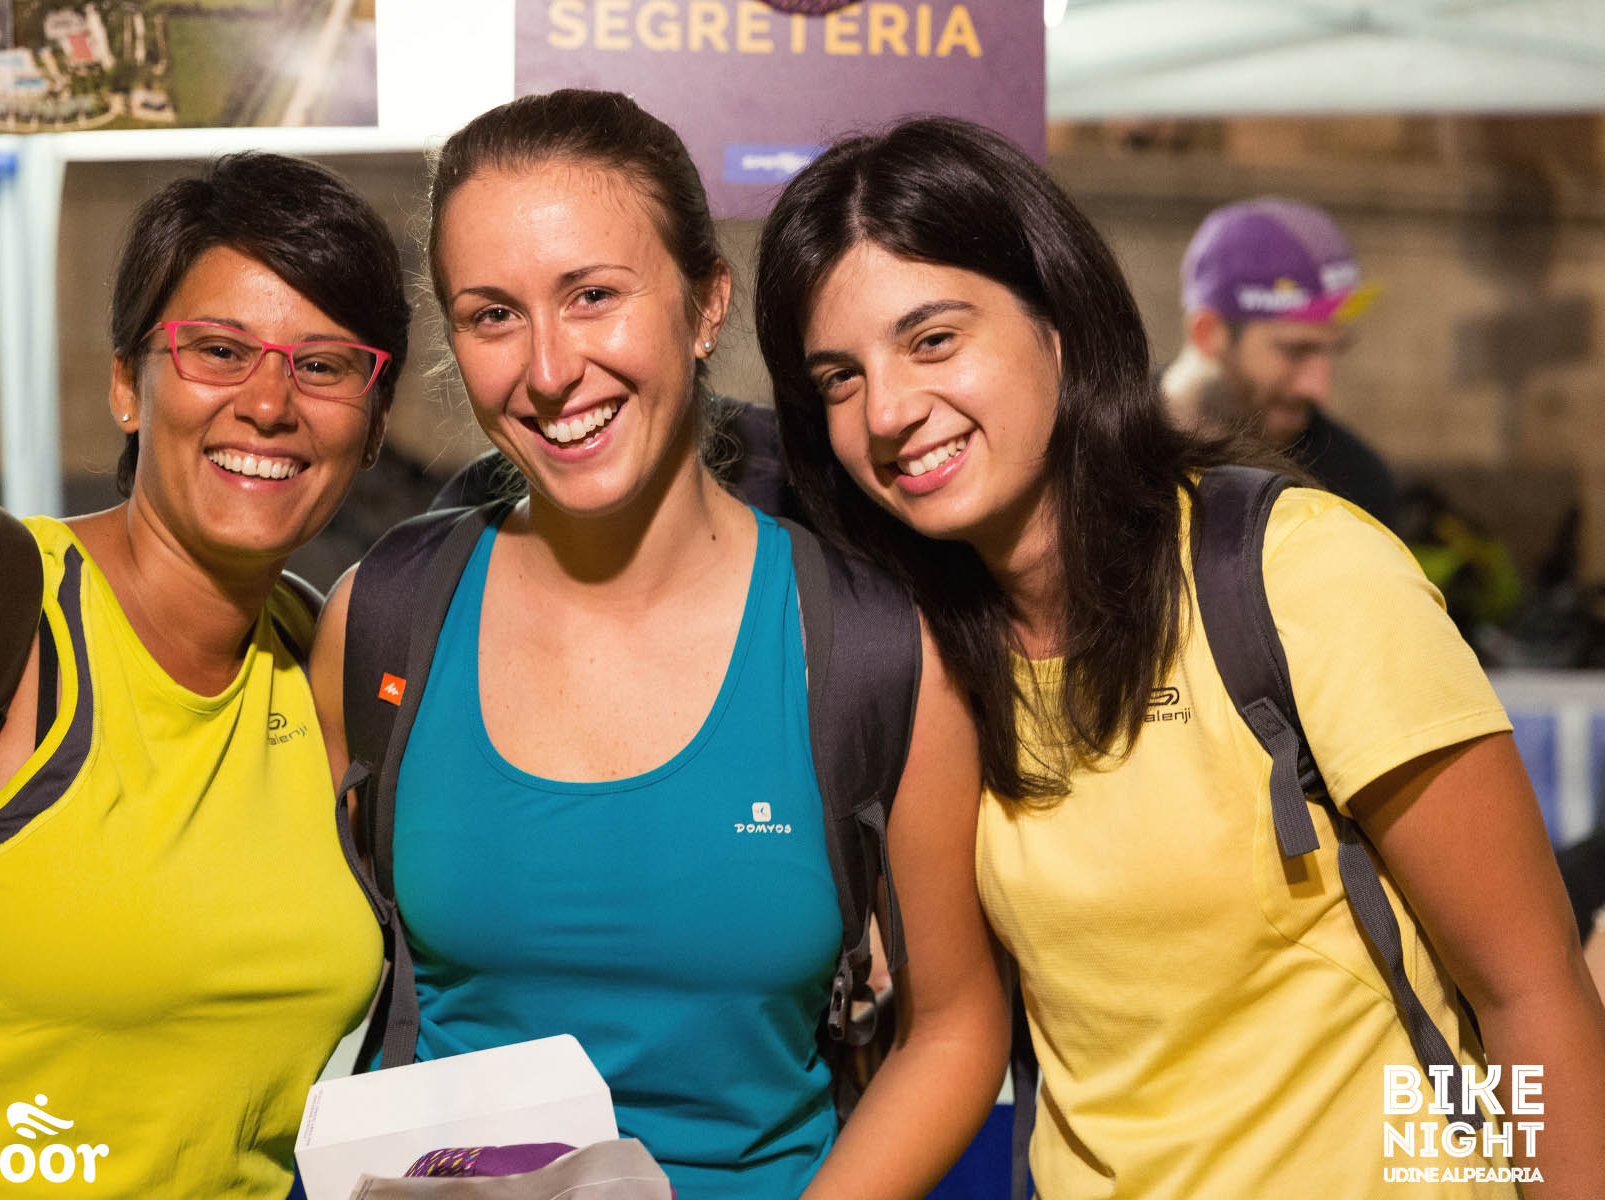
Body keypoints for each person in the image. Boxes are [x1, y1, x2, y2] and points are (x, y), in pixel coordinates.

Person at [755, 116, 1605, 1199]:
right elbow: (956, 1029)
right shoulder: (924, 652)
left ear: (1058, 323)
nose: (887, 410)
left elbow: (1532, 991)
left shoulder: (1298, 572)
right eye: (839, 377)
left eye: (932, 341)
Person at [309, 90, 1006, 1200]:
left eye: (593, 296)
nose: (549, 369)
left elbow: (955, 1028)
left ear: (706, 302)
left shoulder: (871, 651)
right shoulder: (385, 619)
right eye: (492, 316)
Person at [0, 152, 408, 1198]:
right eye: (219, 350)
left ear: (373, 427)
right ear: (129, 383)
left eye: (323, 366)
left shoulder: (330, 671)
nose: (270, 404)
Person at [1161, 196, 1400, 528]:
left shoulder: (1353, 484)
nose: (1318, 388)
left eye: (1331, 350)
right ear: (1208, 333)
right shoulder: (1105, 447)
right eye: (1295, 350)